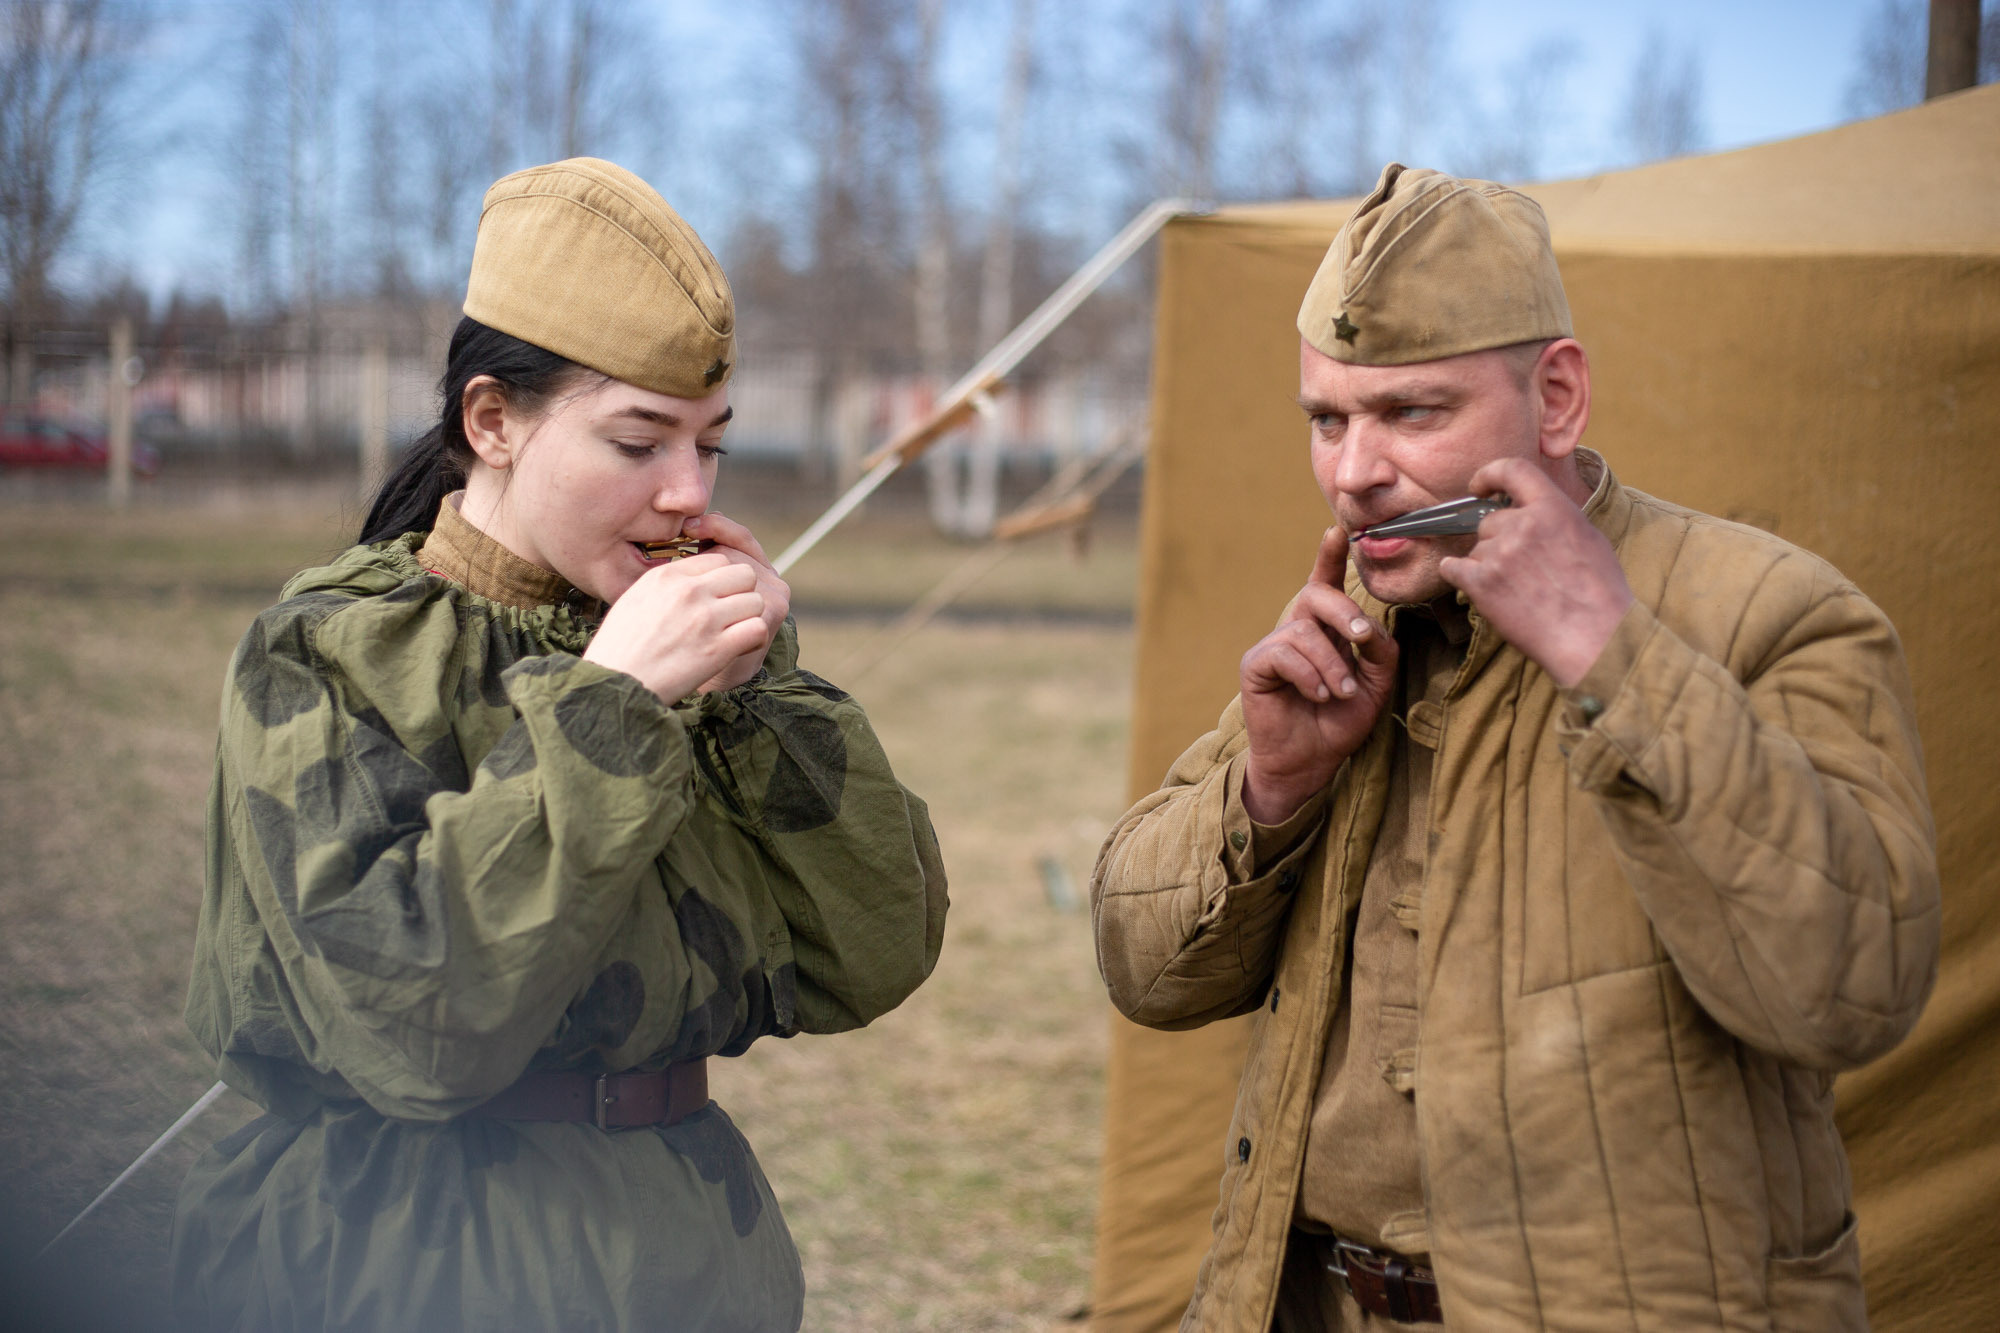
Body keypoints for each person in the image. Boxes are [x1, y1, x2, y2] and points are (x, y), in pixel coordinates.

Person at [1091, 163, 1938, 1331]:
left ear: (1554, 397)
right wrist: (1269, 785)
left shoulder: (1773, 613)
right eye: (1326, 419)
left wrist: (1611, 658)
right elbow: (1139, 974)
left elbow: (1850, 989)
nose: (1353, 475)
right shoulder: (1350, 631)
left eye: (1411, 413)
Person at [169, 158, 947, 1332]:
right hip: (408, 1262)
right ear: (492, 421)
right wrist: (611, 706)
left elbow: (871, 950)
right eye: (638, 444)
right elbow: (411, 1023)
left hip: (686, 1255)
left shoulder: (679, 651)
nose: (688, 492)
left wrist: (756, 687)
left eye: (711, 445)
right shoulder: (327, 652)